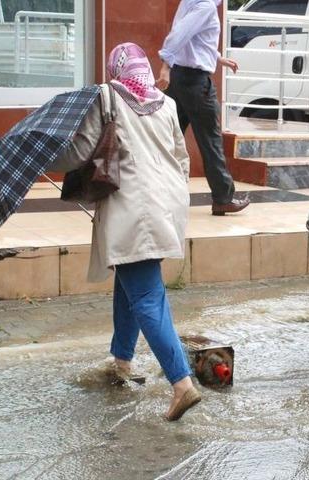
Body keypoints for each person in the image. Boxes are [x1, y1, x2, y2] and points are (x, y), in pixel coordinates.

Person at [59, 43, 200, 421]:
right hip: (166, 207)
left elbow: (80, 153)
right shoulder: (167, 103)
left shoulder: (107, 98)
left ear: (115, 70)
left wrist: (50, 154)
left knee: (148, 299)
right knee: (130, 285)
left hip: (135, 213)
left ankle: (182, 384)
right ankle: (122, 359)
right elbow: (181, 158)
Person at [156, 0, 250, 216]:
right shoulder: (205, 5)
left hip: (180, 79)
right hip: (195, 82)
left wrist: (218, 58)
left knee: (167, 138)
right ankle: (223, 198)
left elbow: (193, 38)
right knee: (211, 141)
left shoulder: (190, 1)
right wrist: (165, 65)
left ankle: (157, 193)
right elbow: (179, 34)